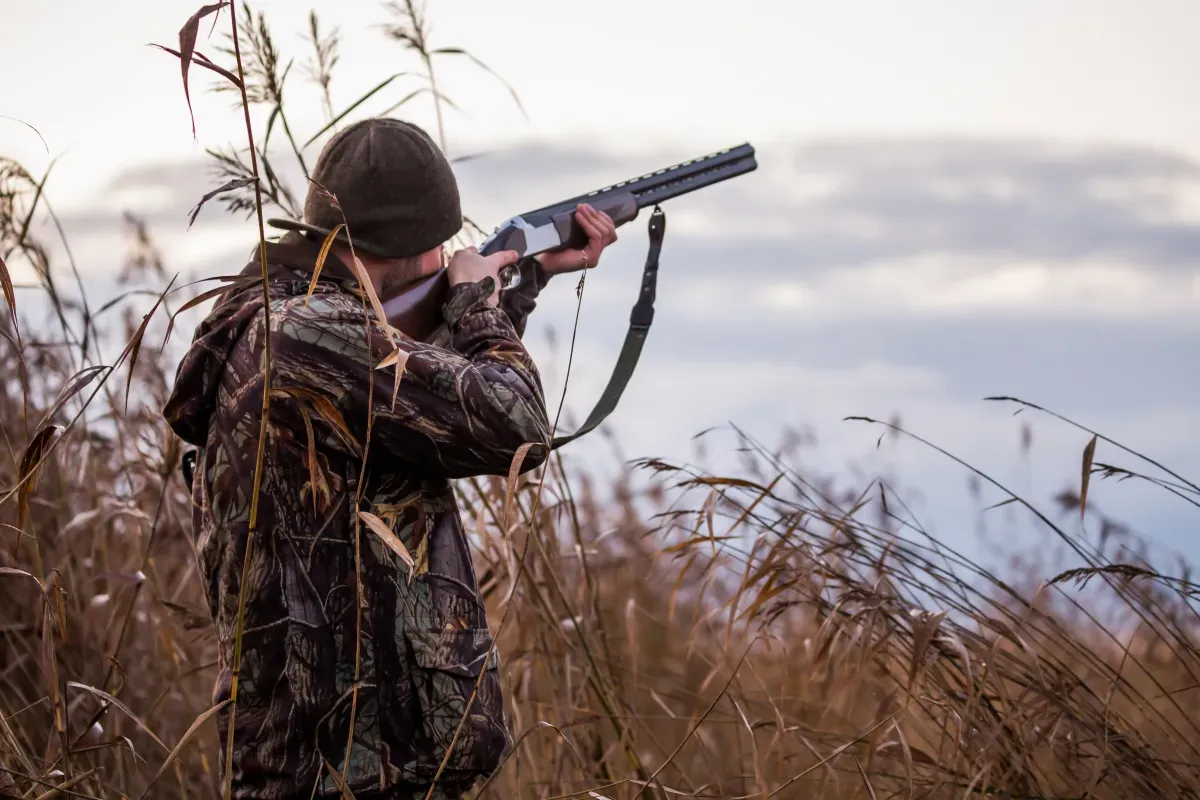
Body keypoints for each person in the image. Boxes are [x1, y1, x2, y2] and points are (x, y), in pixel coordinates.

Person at [163, 117, 617, 799]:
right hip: (348, 769)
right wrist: (475, 301)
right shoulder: (310, 335)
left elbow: (432, 399)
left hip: (342, 760)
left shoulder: (289, 320)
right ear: (406, 246)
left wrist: (519, 287)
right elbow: (516, 425)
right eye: (439, 246)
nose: (445, 258)